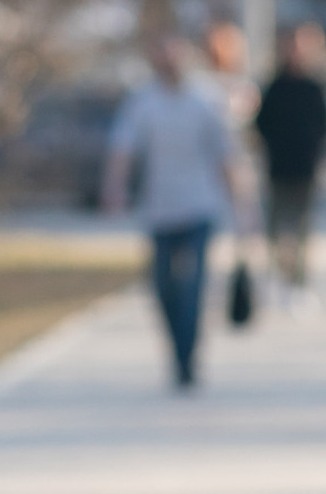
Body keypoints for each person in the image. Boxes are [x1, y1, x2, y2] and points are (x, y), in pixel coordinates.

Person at [102, 38, 238, 389]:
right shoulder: (144, 102)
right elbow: (122, 149)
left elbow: (226, 155)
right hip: (160, 209)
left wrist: (242, 203)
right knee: (163, 287)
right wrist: (115, 188)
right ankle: (177, 349)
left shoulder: (206, 99)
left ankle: (187, 359)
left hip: (200, 206)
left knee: (192, 286)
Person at [255, 24, 326, 307]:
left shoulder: (315, 86)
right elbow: (261, 124)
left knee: (300, 231)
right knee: (276, 229)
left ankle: (298, 283)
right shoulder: (275, 86)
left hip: (306, 169)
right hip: (277, 168)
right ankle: (279, 276)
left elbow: (325, 126)